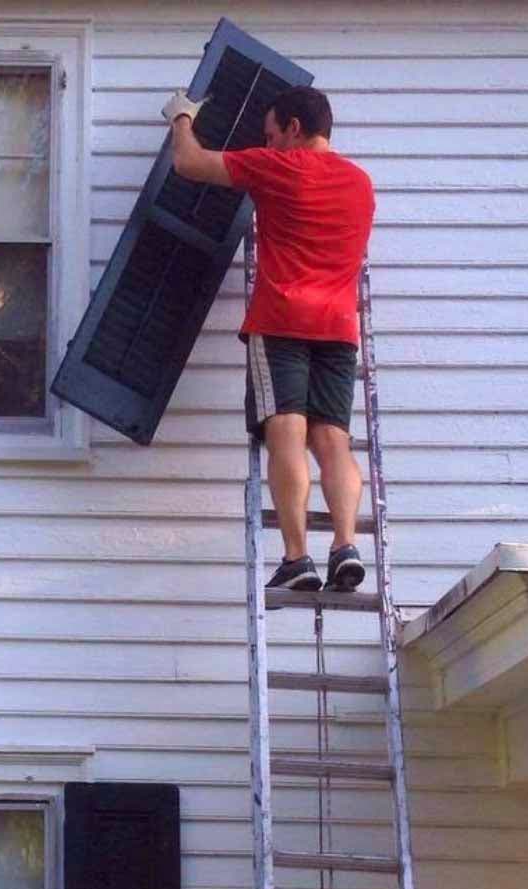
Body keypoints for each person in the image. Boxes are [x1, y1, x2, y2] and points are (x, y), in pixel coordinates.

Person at [162, 85, 375, 593]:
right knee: (333, 441)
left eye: (272, 133)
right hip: (339, 328)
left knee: (286, 434)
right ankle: (345, 544)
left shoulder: (280, 167)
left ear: (294, 130)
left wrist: (181, 117)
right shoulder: (361, 184)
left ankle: (297, 557)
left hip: (282, 321)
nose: (269, 142)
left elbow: (189, 164)